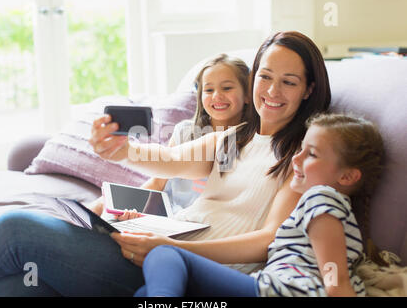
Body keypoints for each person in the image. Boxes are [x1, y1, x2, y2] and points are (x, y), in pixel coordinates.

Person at [0, 31, 331, 296]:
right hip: (156, 249)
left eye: (288, 82)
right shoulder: (236, 139)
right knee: (14, 288)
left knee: (16, 228)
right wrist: (120, 149)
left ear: (309, 89)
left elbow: (267, 241)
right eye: (265, 77)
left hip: (191, 272)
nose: (271, 91)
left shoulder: (303, 155)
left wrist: (171, 249)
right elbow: (167, 161)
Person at [135, 113, 385, 297]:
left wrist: (336, 288)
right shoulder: (320, 206)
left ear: (347, 177)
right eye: (302, 149)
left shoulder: (322, 199)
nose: (296, 158)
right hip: (269, 286)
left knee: (166, 254)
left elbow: (334, 278)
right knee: (146, 293)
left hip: (280, 291)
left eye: (312, 154)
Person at [88, 53, 251, 218]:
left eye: (227, 88)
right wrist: (131, 207)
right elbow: (158, 181)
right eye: (208, 90)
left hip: (193, 223)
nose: (216, 95)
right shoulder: (185, 131)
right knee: (102, 205)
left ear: (247, 94)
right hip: (165, 215)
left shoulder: (249, 142)